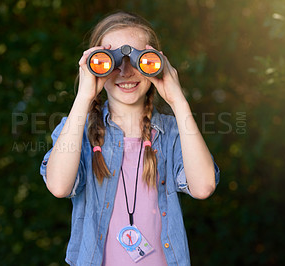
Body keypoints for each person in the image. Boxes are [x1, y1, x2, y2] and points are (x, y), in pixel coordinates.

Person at [40, 11, 220, 266]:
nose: (125, 71)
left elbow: (203, 187)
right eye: (111, 61)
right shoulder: (77, 128)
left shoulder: (172, 132)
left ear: (156, 63)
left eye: (138, 60)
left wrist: (177, 99)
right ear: (95, 64)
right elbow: (59, 186)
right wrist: (84, 96)